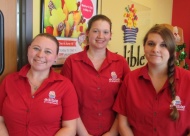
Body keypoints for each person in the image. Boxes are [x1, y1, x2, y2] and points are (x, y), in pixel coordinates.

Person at [113, 24, 190, 136]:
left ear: (172, 49)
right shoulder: (130, 79)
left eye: (163, 45)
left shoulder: (187, 79)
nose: (155, 49)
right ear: (144, 47)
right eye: (151, 44)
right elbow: (123, 123)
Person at [60, 14, 130, 136]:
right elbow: (67, 103)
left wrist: (112, 133)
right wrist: (84, 134)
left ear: (110, 35)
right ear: (87, 33)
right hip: (79, 131)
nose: (100, 36)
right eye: (96, 31)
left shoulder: (121, 63)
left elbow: (126, 102)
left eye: (105, 32)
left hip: (114, 131)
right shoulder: (72, 62)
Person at [0, 33, 79, 136]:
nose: (40, 55)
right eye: (36, 48)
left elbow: (69, 128)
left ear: (56, 57)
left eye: (48, 51)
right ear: (29, 50)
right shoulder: (9, 81)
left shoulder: (65, 86)